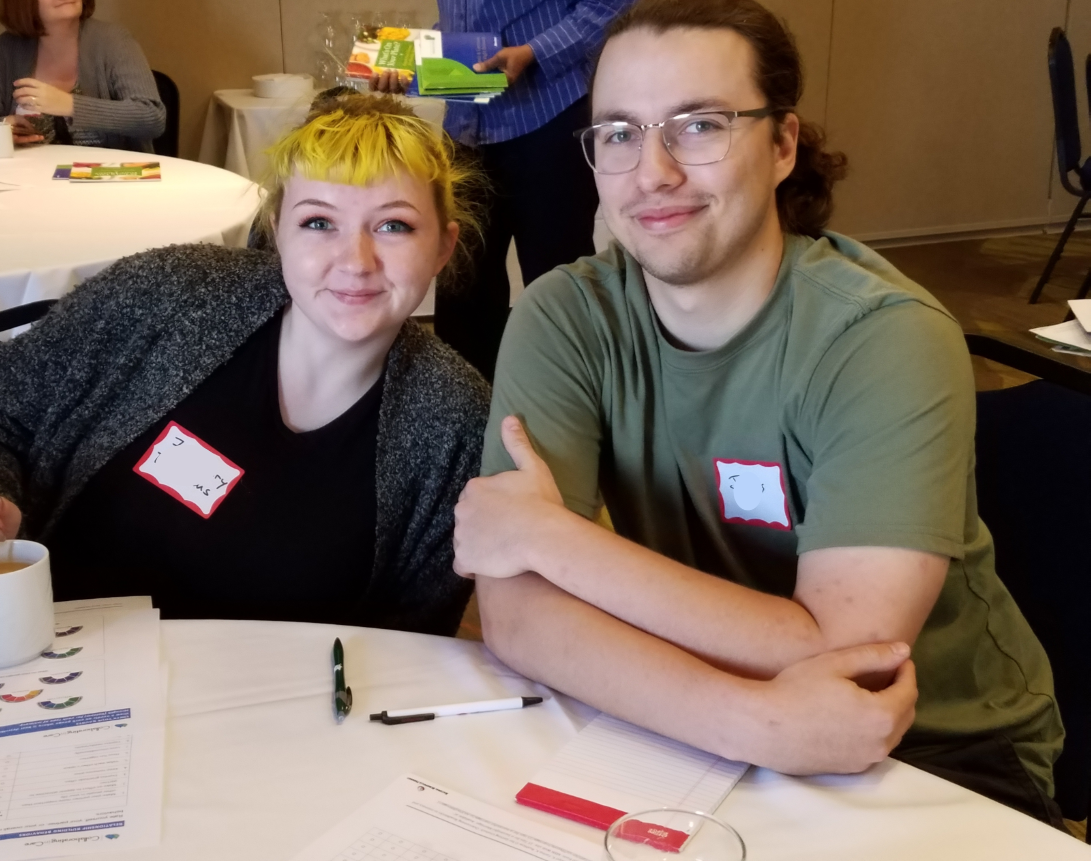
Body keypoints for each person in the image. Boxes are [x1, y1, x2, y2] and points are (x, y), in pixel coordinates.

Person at [453, 0, 1065, 826]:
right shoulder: (565, 317)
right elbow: (519, 615)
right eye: (620, 133)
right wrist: (752, 721)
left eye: (698, 125)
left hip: (930, 750)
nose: (654, 170)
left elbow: (847, 655)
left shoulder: (883, 337)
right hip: (702, 725)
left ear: (782, 145)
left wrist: (554, 539)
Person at [0, 93, 490, 636]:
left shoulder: (455, 425)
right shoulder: (165, 294)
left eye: (394, 226)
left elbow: (412, 643)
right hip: (50, 676)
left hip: (262, 713)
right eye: (319, 222)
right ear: (277, 230)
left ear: (443, 247)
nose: (355, 261)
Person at [371, 0, 633, 380]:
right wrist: (412, 62)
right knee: (461, 279)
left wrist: (535, 51)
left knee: (557, 278)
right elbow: (466, 17)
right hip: (466, 123)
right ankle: (465, 415)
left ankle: (574, 407)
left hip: (549, 115)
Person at [0, 0, 165, 151]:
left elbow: (152, 117)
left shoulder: (113, 40)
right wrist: (4, 126)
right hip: (29, 185)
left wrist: (68, 104)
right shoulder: (6, 48)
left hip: (108, 186)